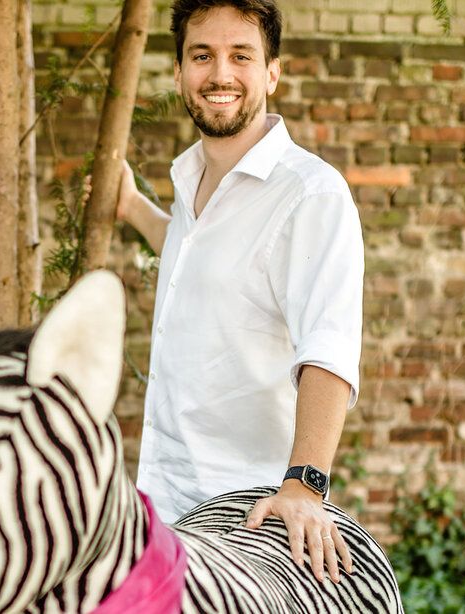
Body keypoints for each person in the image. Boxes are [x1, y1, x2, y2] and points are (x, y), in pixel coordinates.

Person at [114, 0, 364, 585]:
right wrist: (131, 208)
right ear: (179, 73)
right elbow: (193, 250)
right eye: (203, 56)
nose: (220, 74)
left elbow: (328, 348)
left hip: (245, 524)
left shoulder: (311, 195)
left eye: (241, 56)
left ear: (271, 73)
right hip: (160, 506)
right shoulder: (190, 181)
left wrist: (305, 486)